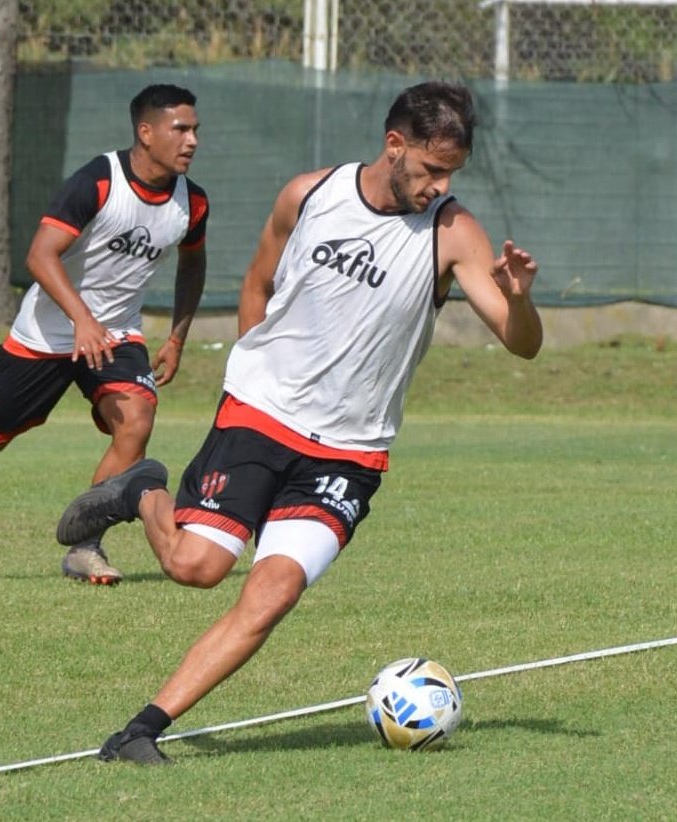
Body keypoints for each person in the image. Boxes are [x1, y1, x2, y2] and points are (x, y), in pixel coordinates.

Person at [56, 81, 543, 764]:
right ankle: (141, 489)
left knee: (272, 592)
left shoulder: (452, 232)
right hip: (261, 415)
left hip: (348, 452)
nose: (439, 186)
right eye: (430, 169)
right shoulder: (308, 194)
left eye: (450, 173)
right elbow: (257, 282)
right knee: (196, 568)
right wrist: (260, 377)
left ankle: (139, 732)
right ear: (393, 145)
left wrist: (520, 301)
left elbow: (520, 342)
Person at [0, 84, 209, 585]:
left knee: (136, 421)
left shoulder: (193, 203)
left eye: (195, 130)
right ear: (146, 132)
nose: (191, 141)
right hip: (44, 336)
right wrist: (81, 319)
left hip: (116, 336)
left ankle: (85, 546)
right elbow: (40, 255)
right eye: (180, 129)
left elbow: (193, 262)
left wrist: (178, 336)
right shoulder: (99, 182)